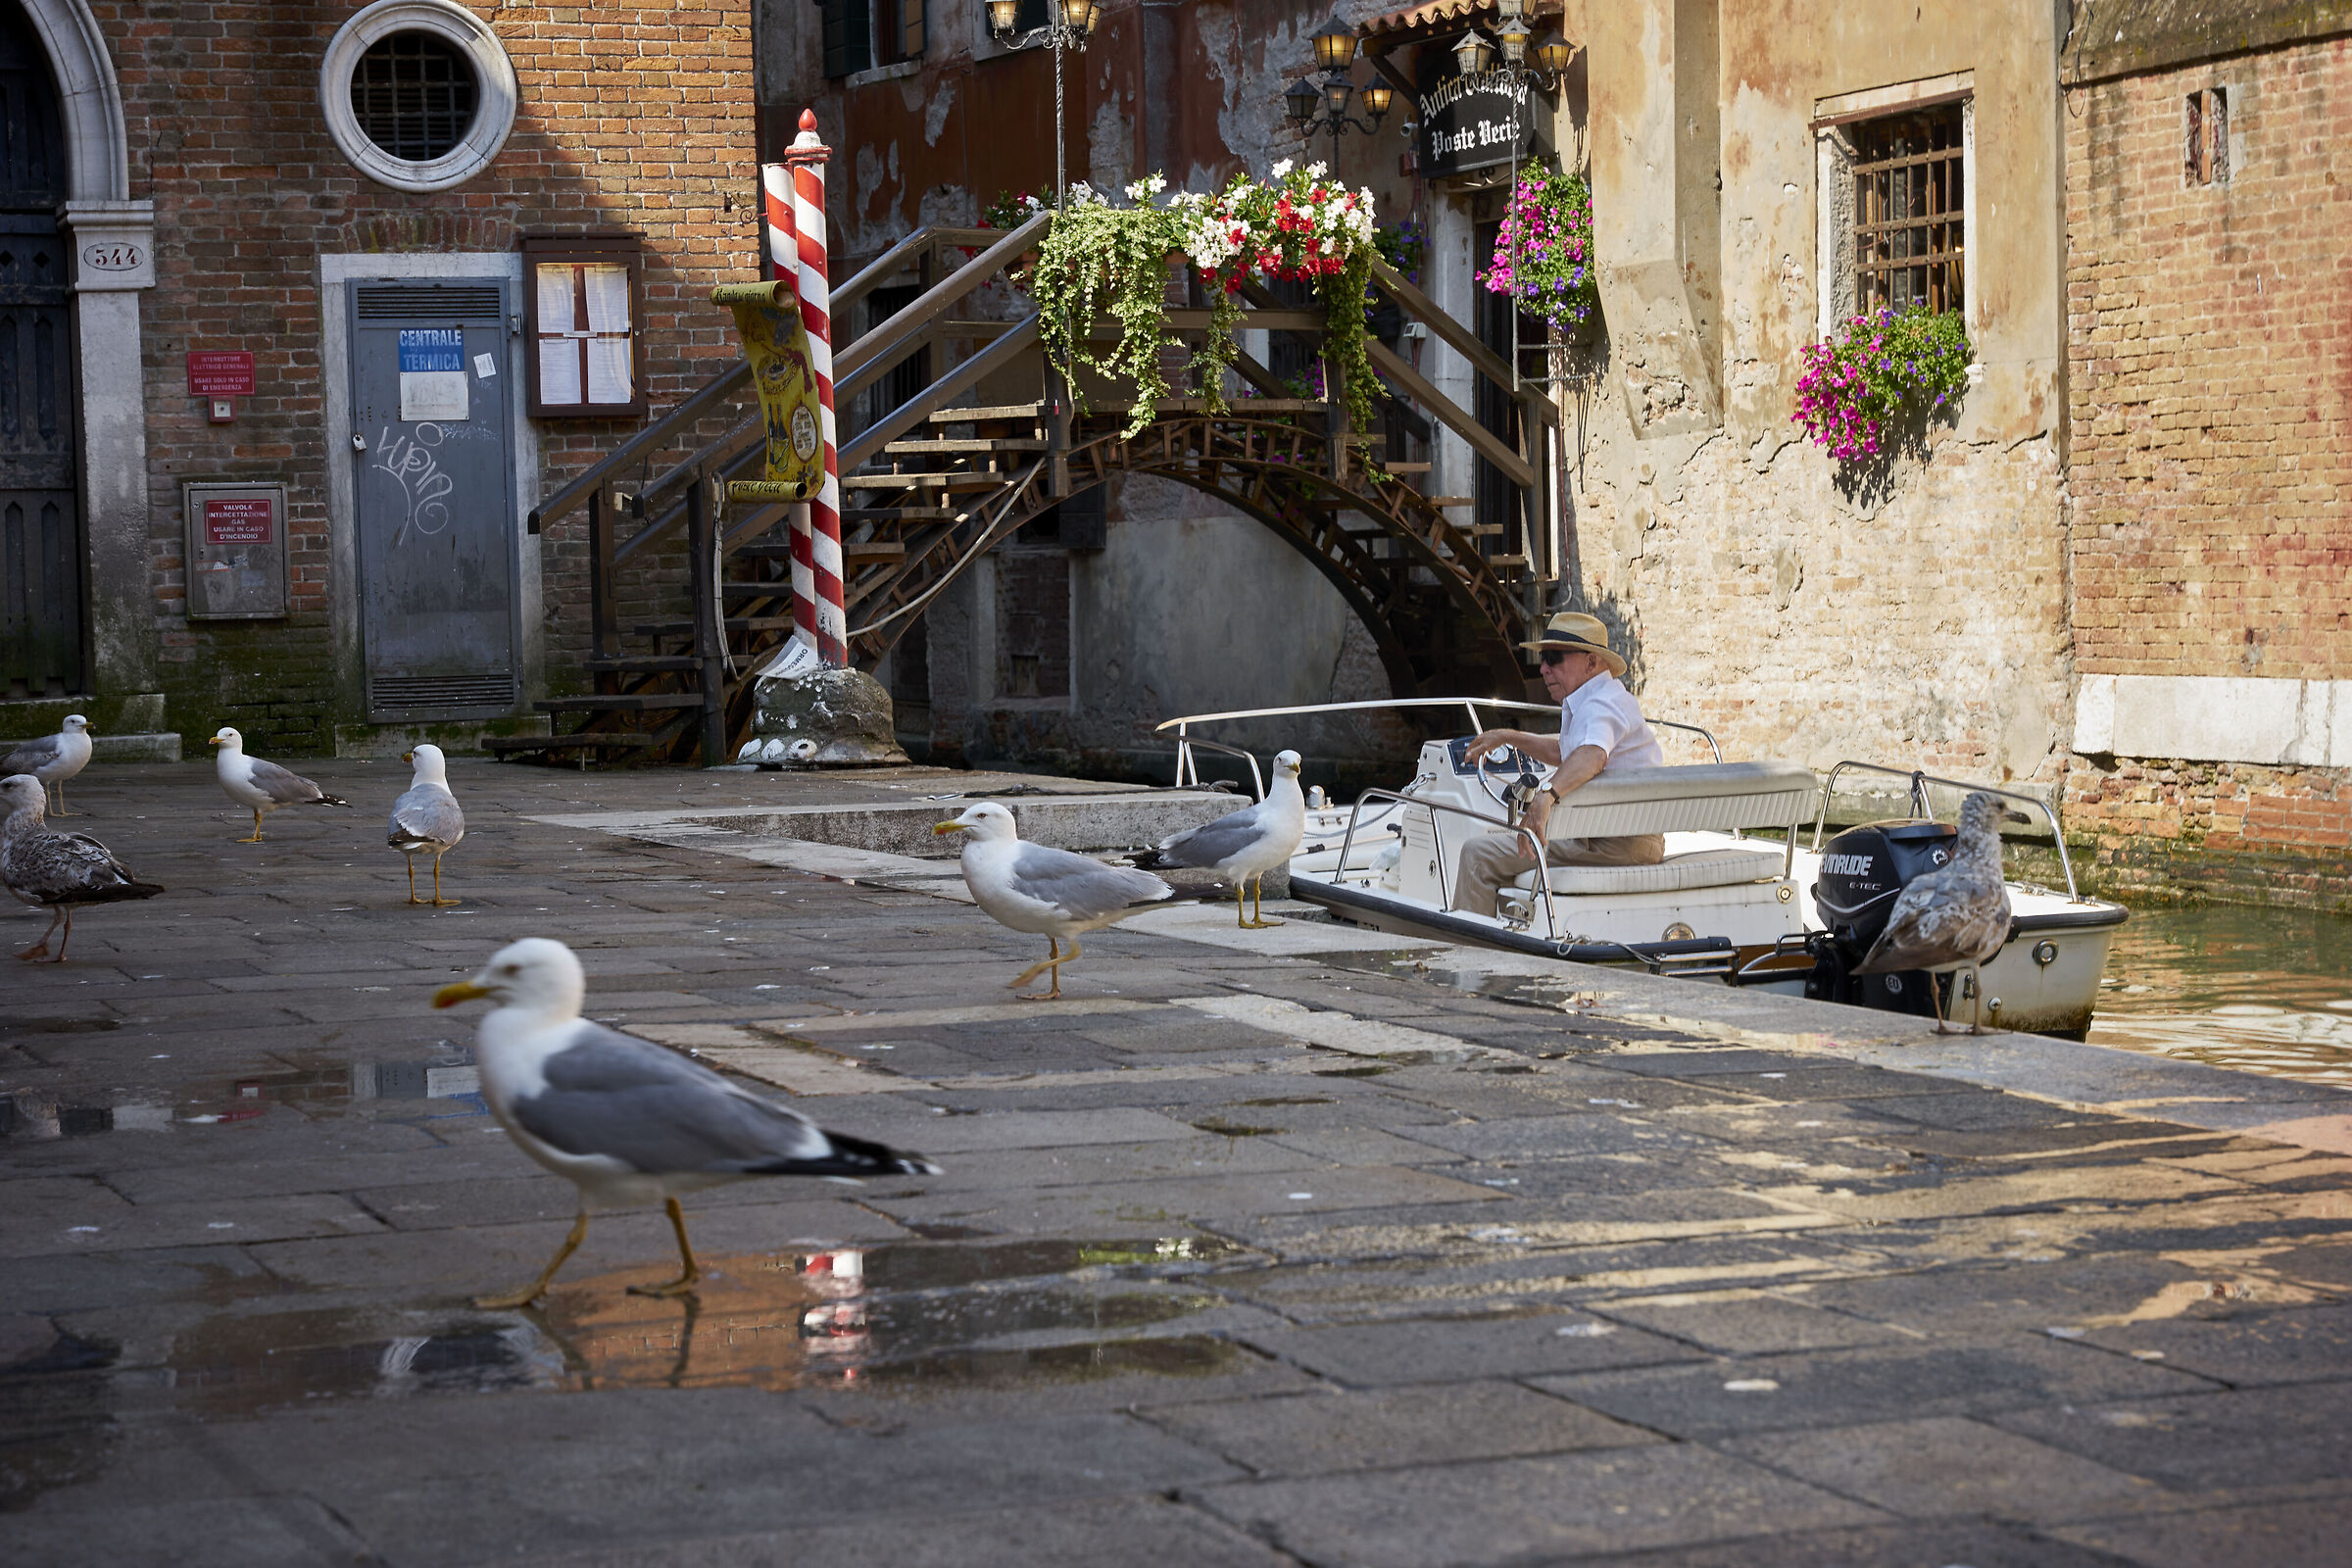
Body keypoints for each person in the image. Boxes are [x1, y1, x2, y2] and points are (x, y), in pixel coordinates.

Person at [1448, 612, 1667, 917]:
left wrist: (1545, 796)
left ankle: (1474, 958)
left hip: (1614, 844)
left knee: (1478, 853)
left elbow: (1592, 756)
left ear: (1591, 662)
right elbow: (1569, 753)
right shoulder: (1600, 697)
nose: (1543, 669)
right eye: (1543, 658)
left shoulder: (1600, 704)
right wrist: (1510, 736)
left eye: (1554, 658)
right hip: (1621, 837)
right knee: (1505, 843)